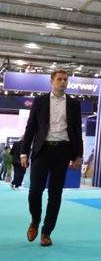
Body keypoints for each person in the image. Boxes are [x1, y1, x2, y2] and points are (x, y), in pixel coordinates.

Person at [21, 69, 83, 247]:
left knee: (55, 194)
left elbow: (77, 130)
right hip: (42, 150)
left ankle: (46, 232)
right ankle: (35, 220)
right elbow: (31, 127)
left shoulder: (74, 104)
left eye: (65, 79)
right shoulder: (40, 101)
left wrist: (78, 155)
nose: (63, 82)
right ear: (51, 81)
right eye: (60, 79)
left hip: (62, 151)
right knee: (35, 191)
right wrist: (24, 152)